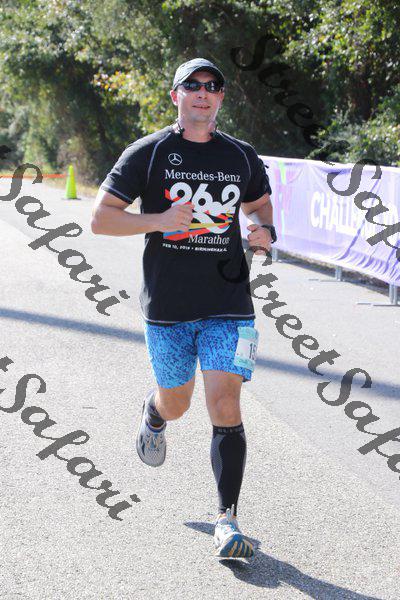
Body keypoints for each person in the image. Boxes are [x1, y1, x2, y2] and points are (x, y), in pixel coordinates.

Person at [91, 57, 276, 559]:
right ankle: (154, 412)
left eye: (212, 86)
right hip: (169, 307)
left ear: (221, 98)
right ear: (176, 95)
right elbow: (101, 219)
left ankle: (227, 520)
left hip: (229, 304)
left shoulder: (240, 155)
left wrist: (264, 230)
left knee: (226, 404)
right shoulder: (149, 152)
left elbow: (259, 204)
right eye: (192, 85)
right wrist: (158, 220)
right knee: (177, 403)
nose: (202, 92)